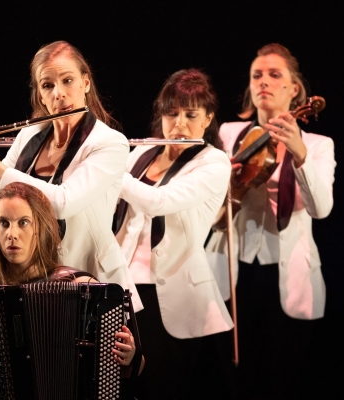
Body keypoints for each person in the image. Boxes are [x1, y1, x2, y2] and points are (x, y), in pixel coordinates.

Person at [0, 40, 141, 312]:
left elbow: (62, 203)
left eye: (67, 80)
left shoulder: (109, 143)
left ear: (85, 84)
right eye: (48, 85)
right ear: (40, 95)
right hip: (35, 283)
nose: (59, 94)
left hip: (94, 283)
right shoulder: (29, 136)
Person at [205, 43, 336, 399]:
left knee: (284, 376)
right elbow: (207, 209)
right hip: (231, 266)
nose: (263, 81)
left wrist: (299, 153)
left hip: (287, 268)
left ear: (294, 89)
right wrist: (230, 187)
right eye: (257, 75)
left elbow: (321, 208)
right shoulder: (228, 135)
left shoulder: (318, 144)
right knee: (232, 378)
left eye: (274, 75)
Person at [0, 182, 141, 396]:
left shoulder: (85, 290)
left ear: (39, 228)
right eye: (3, 223)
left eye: (23, 222)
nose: (12, 233)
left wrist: (130, 356)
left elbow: (136, 367)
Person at [113, 69, 234, 400]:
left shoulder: (214, 162)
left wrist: (108, 168)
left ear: (208, 118)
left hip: (174, 294)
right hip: (126, 287)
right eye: (172, 113)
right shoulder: (141, 153)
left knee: (165, 386)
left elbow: (160, 201)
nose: (179, 124)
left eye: (190, 115)